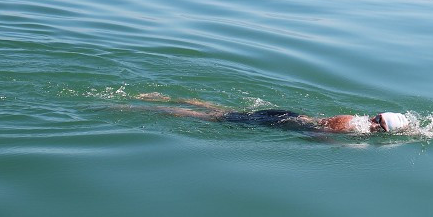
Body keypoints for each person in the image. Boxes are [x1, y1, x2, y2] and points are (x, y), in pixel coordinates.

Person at [133, 93, 412, 134]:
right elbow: (319, 135)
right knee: (214, 118)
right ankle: (162, 108)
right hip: (287, 121)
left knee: (226, 112)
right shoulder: (353, 127)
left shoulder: (356, 118)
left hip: (291, 114)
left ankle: (170, 98)